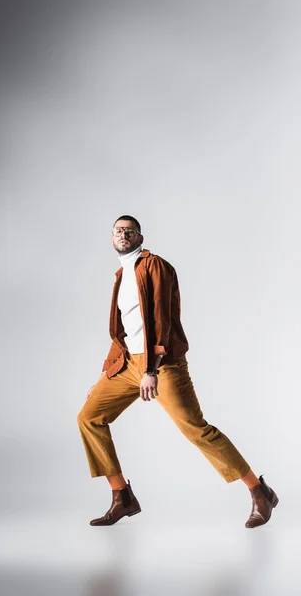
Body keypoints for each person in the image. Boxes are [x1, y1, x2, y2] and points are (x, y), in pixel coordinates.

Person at [77, 215, 278, 528]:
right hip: (129, 363)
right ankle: (122, 497)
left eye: (130, 230)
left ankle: (259, 490)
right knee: (89, 417)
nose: (123, 234)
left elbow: (161, 318)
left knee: (195, 429)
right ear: (111, 237)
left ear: (140, 237)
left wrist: (152, 369)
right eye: (118, 230)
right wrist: (106, 374)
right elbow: (123, 332)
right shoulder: (121, 273)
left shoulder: (154, 266)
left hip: (162, 363)